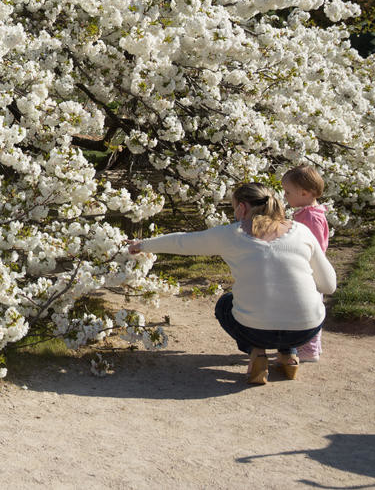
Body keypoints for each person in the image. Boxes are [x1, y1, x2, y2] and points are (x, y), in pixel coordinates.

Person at [127, 183, 336, 385]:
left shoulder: (232, 233)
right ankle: (288, 355)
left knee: (225, 304)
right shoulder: (301, 231)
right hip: (305, 330)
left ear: (242, 207)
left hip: (256, 330)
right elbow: (329, 286)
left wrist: (142, 245)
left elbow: (182, 242)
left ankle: (257, 353)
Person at [282, 165, 329, 362]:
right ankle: (310, 346)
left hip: (309, 271)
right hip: (307, 269)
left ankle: (310, 349)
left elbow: (314, 246)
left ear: (304, 192)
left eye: (287, 192)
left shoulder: (310, 216)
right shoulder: (306, 213)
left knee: (309, 308)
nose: (285, 196)